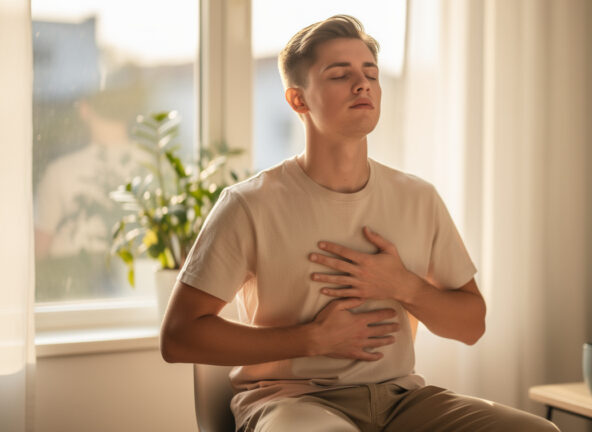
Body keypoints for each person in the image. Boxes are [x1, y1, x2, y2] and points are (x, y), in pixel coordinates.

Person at [161, 15, 559, 432]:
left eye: (371, 73)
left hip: (402, 400)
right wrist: (312, 339)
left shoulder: (418, 198)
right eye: (340, 75)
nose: (362, 84)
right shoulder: (248, 205)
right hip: (293, 400)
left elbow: (471, 324)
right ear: (298, 100)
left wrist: (403, 286)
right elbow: (178, 336)